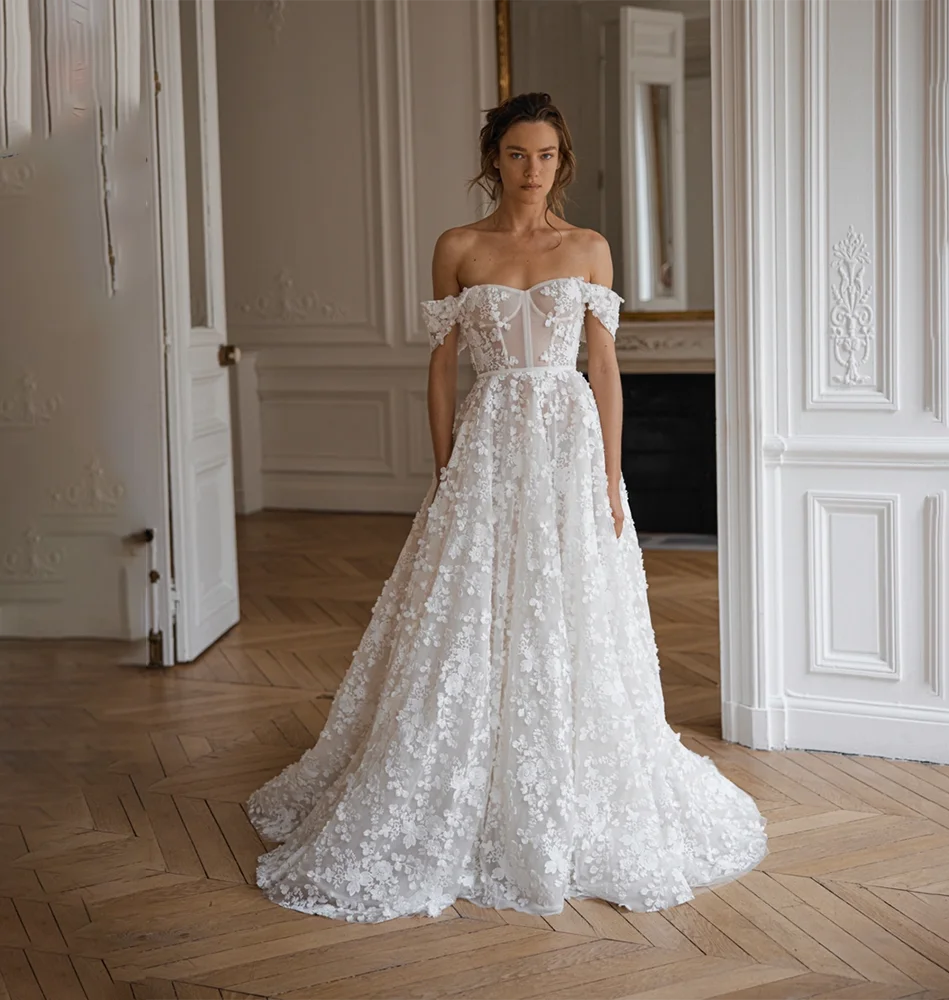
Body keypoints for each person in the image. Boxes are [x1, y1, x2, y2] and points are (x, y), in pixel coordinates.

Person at [246, 92, 768, 924]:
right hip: (487, 448)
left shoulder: (589, 248)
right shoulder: (458, 247)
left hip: (567, 449)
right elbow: (442, 367)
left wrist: (607, 477)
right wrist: (444, 463)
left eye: (548, 155)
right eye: (518, 154)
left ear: (565, 160)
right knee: (469, 611)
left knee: (570, 608)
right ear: (494, 158)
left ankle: (565, 767)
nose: (533, 170)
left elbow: (604, 369)